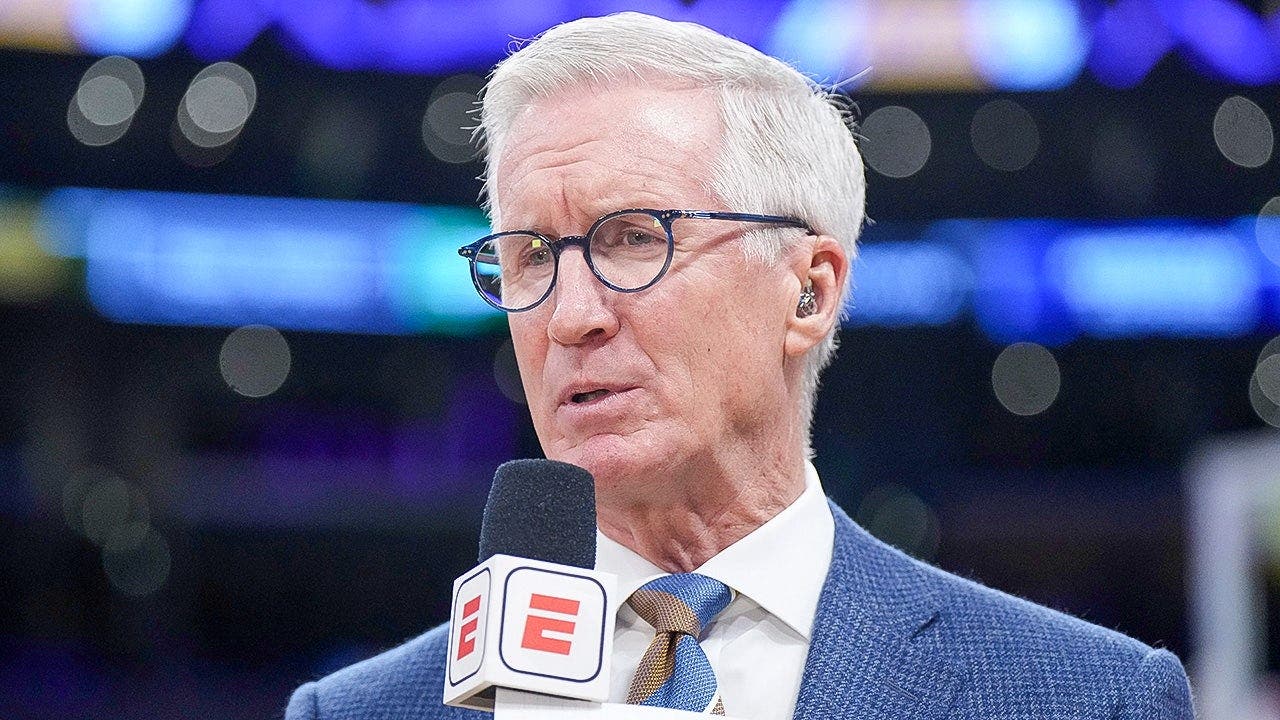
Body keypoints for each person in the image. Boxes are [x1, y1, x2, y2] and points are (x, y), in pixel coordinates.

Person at [285, 12, 1194, 719]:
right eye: (529, 256)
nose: (569, 316)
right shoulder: (359, 712)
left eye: (633, 238)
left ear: (808, 292)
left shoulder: (1086, 698)